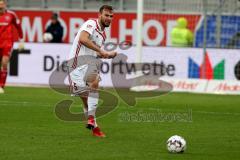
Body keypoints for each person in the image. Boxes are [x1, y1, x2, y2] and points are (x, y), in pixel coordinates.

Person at [67, 5, 117, 137]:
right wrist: (101, 50)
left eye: (111, 16)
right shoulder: (91, 23)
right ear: (99, 15)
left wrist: (107, 54)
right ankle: (94, 126)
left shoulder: (103, 35)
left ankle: (90, 119)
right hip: (75, 64)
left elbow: (94, 53)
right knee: (85, 99)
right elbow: (83, 39)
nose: (109, 18)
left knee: (95, 82)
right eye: (106, 15)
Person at [0, 0, 24, 93]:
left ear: (5, 5)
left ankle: (1, 86)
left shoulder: (11, 15)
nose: (1, 7)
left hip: (7, 43)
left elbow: (18, 27)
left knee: (4, 63)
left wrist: (21, 40)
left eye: (2, 5)